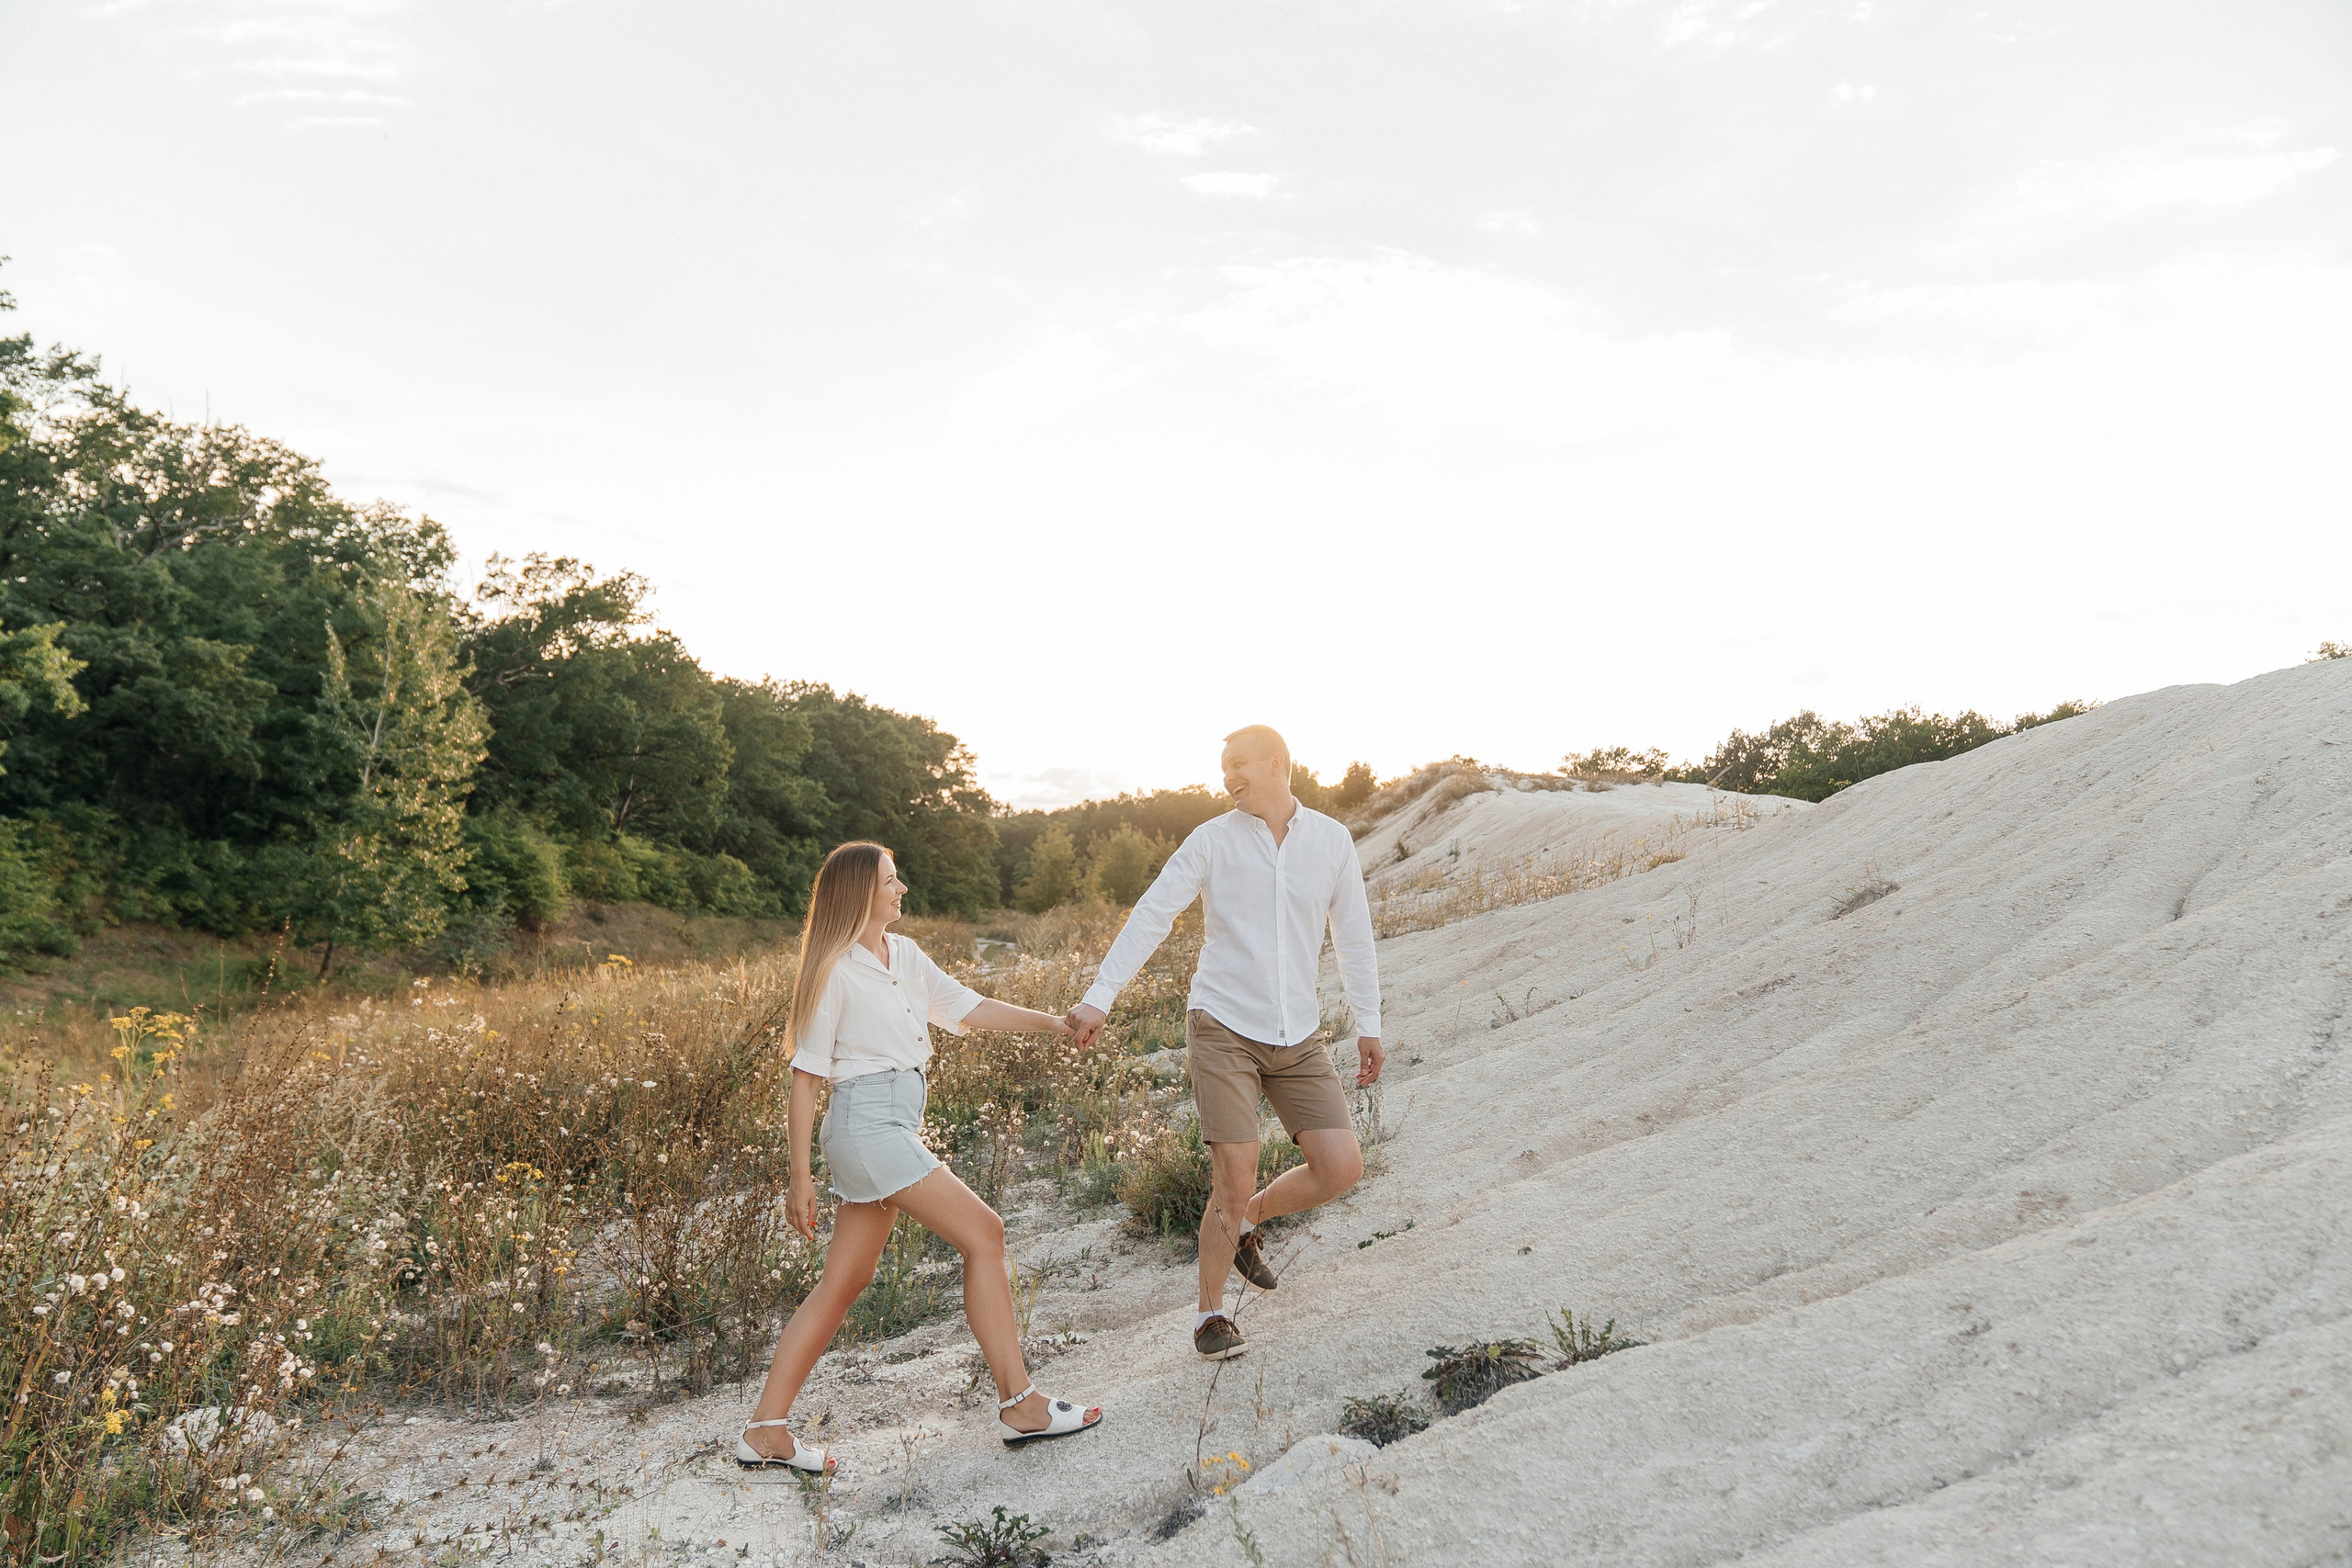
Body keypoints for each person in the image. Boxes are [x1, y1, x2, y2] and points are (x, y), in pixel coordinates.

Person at [736, 841, 1103, 1473]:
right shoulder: (834, 970)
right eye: (889, 880)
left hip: (890, 1124)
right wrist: (799, 1177)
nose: (901, 888)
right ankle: (1020, 1402)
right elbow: (805, 1077)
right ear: (860, 893)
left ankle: (765, 1429)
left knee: (843, 1282)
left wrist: (1056, 1022)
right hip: (866, 1125)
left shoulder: (903, 955)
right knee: (986, 1233)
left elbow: (970, 1007)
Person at [1067, 726, 1384, 1361]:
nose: (1227, 777)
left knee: (1341, 1165)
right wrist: (1101, 994)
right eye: (1222, 767)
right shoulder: (1211, 841)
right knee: (1232, 1174)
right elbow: (1152, 913)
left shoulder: (1330, 841)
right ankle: (1211, 1315)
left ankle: (1246, 1223)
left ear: (1278, 763)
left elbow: (1353, 934)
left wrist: (1369, 1022)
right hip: (1224, 1026)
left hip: (1298, 1033)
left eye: (1238, 764)